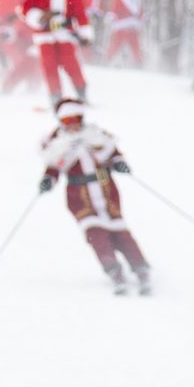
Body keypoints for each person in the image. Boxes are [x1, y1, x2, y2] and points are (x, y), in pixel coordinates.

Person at [37, 98, 150, 296]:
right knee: (96, 233)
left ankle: (140, 268)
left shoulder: (95, 136)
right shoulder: (59, 143)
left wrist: (118, 163)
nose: (71, 124)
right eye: (66, 120)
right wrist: (48, 181)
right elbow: (53, 167)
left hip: (105, 189)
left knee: (119, 230)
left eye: (75, 119)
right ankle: (114, 270)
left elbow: (113, 153)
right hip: (79, 195)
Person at [20, 0, 92, 104]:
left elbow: (79, 12)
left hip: (65, 33)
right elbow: (25, 9)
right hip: (44, 35)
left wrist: (85, 32)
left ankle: (81, 91)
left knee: (70, 63)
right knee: (49, 66)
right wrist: (39, 17)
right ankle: (56, 96)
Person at [105, 0, 144, 66]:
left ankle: (139, 63)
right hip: (121, 26)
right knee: (115, 45)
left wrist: (141, 18)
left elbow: (140, 11)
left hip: (133, 27)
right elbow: (114, 9)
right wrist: (112, 16)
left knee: (136, 46)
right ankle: (108, 59)